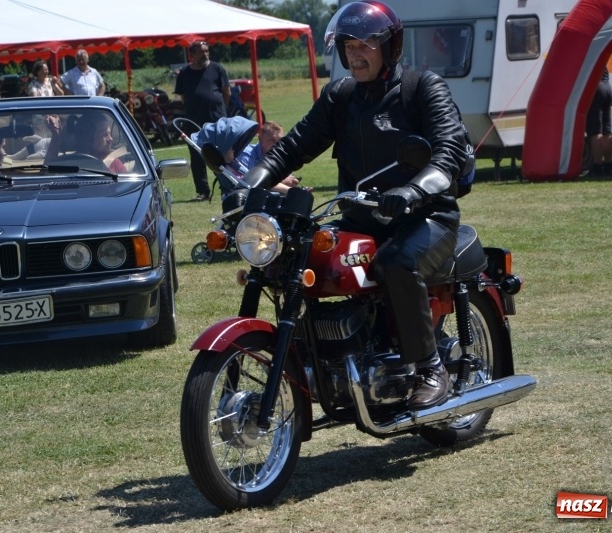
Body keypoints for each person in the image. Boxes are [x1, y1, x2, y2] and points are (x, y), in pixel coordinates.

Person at [240, 1, 471, 409]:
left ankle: (430, 366)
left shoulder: (423, 87)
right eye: (349, 45)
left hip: (425, 217)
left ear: (389, 46)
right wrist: (251, 182)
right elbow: (293, 147)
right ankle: (325, 362)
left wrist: (413, 191)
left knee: (395, 262)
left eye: (366, 44)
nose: (355, 54)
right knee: (300, 260)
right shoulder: (341, 97)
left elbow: (448, 152)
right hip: (363, 220)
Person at [174, 40, 231, 201]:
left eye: (206, 51)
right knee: (197, 157)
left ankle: (227, 186)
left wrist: (221, 111)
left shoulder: (217, 68)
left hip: (216, 120)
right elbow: (182, 96)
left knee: (221, 154)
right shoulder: (185, 73)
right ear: (192, 55)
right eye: (201, 52)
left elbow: (227, 92)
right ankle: (203, 192)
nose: (205, 54)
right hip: (194, 121)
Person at [44, 113, 126, 173]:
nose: (110, 139)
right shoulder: (68, 163)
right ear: (88, 138)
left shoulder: (113, 162)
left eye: (109, 134)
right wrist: (56, 136)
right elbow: (47, 173)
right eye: (104, 135)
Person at [237, 121, 303, 192]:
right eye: (272, 140)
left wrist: (292, 181)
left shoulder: (281, 154)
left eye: (280, 140)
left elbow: (288, 179)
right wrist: (282, 182)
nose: (277, 144)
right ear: (260, 138)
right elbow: (253, 182)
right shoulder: (246, 154)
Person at [586, 66, 612, 177]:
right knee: (607, 132)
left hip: (595, 88)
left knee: (595, 132)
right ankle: (608, 167)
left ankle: (597, 168)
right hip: (607, 86)